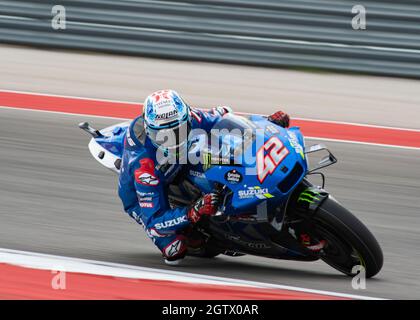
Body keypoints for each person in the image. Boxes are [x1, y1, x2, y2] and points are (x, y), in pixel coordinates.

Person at [118, 89, 290, 265]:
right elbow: (154, 221)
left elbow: (223, 120)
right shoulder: (144, 168)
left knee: (223, 135)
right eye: (163, 136)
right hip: (141, 194)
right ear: (149, 131)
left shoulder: (191, 117)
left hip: (183, 159)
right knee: (174, 250)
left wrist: (266, 124)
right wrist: (192, 211)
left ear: (186, 117)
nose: (174, 140)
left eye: (179, 130)